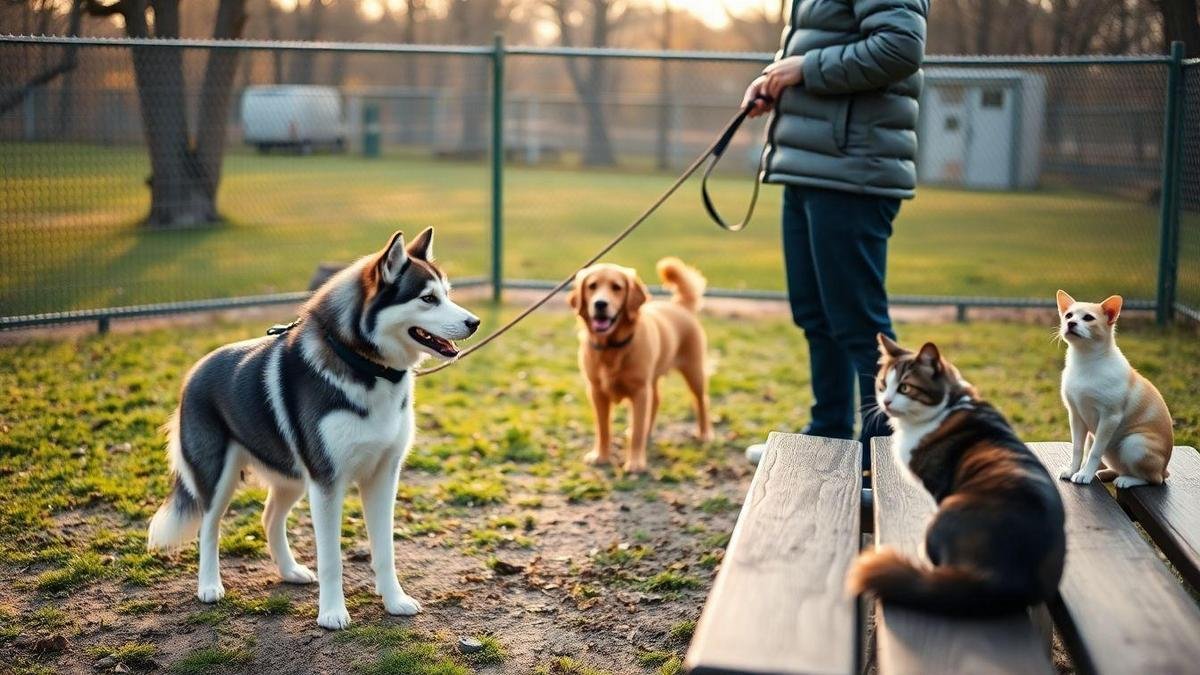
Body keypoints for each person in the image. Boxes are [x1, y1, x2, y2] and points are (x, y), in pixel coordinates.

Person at [742, 0, 929, 465]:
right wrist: (780, 84)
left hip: (854, 170)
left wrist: (805, 68)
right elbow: (831, 46)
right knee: (815, 312)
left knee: (856, 321)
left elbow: (899, 47)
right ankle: (827, 432)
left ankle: (882, 448)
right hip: (812, 166)